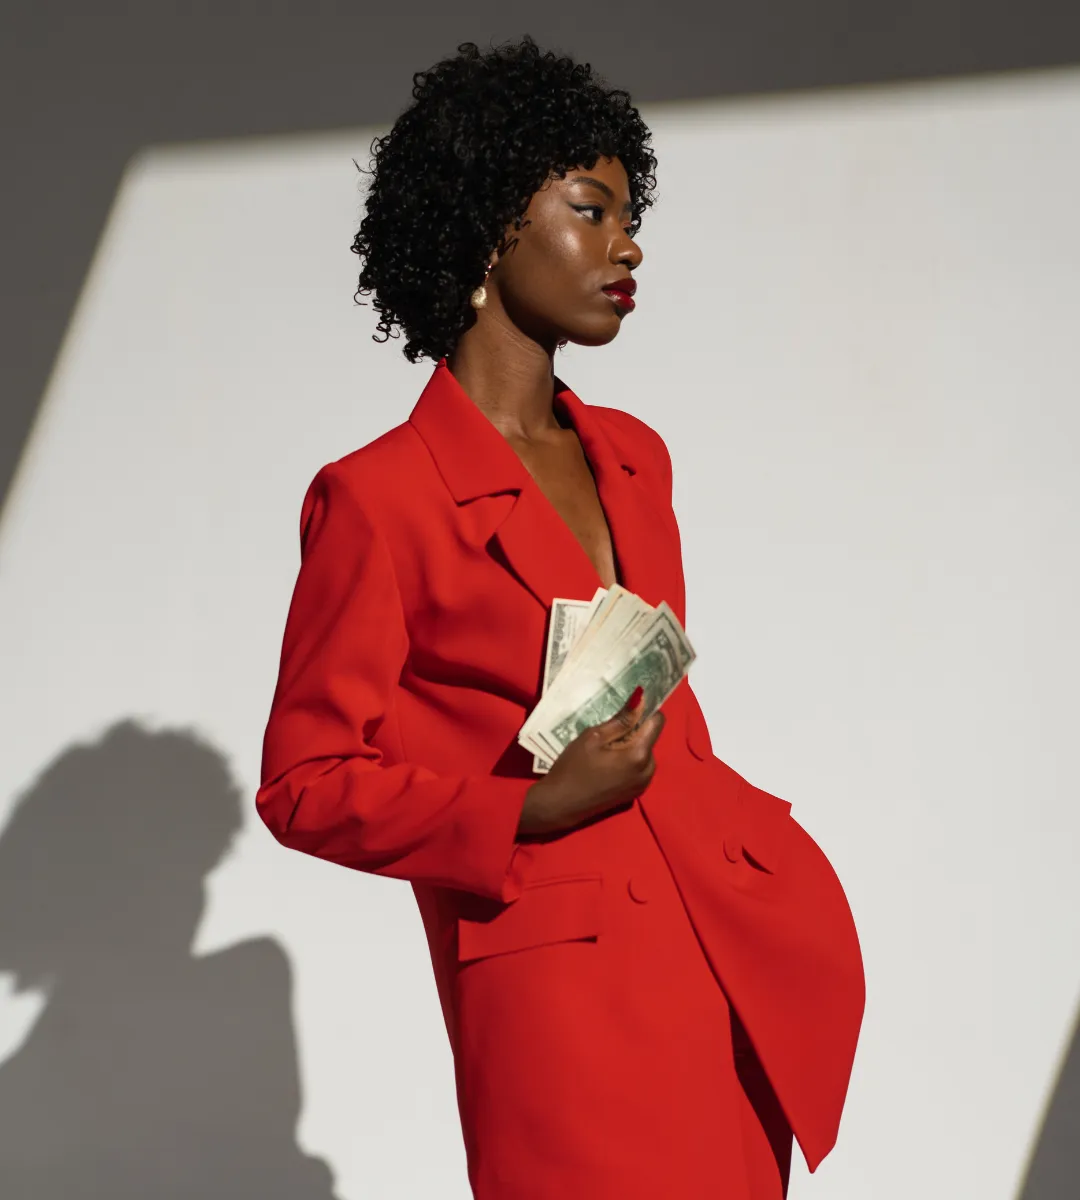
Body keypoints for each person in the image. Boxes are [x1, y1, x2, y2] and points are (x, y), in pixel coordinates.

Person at [257, 36, 864, 1200]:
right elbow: (305, 783)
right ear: (492, 226)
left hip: (715, 948)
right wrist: (529, 806)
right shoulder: (377, 497)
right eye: (592, 211)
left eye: (632, 218)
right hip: (559, 995)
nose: (627, 247)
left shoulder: (636, 457)